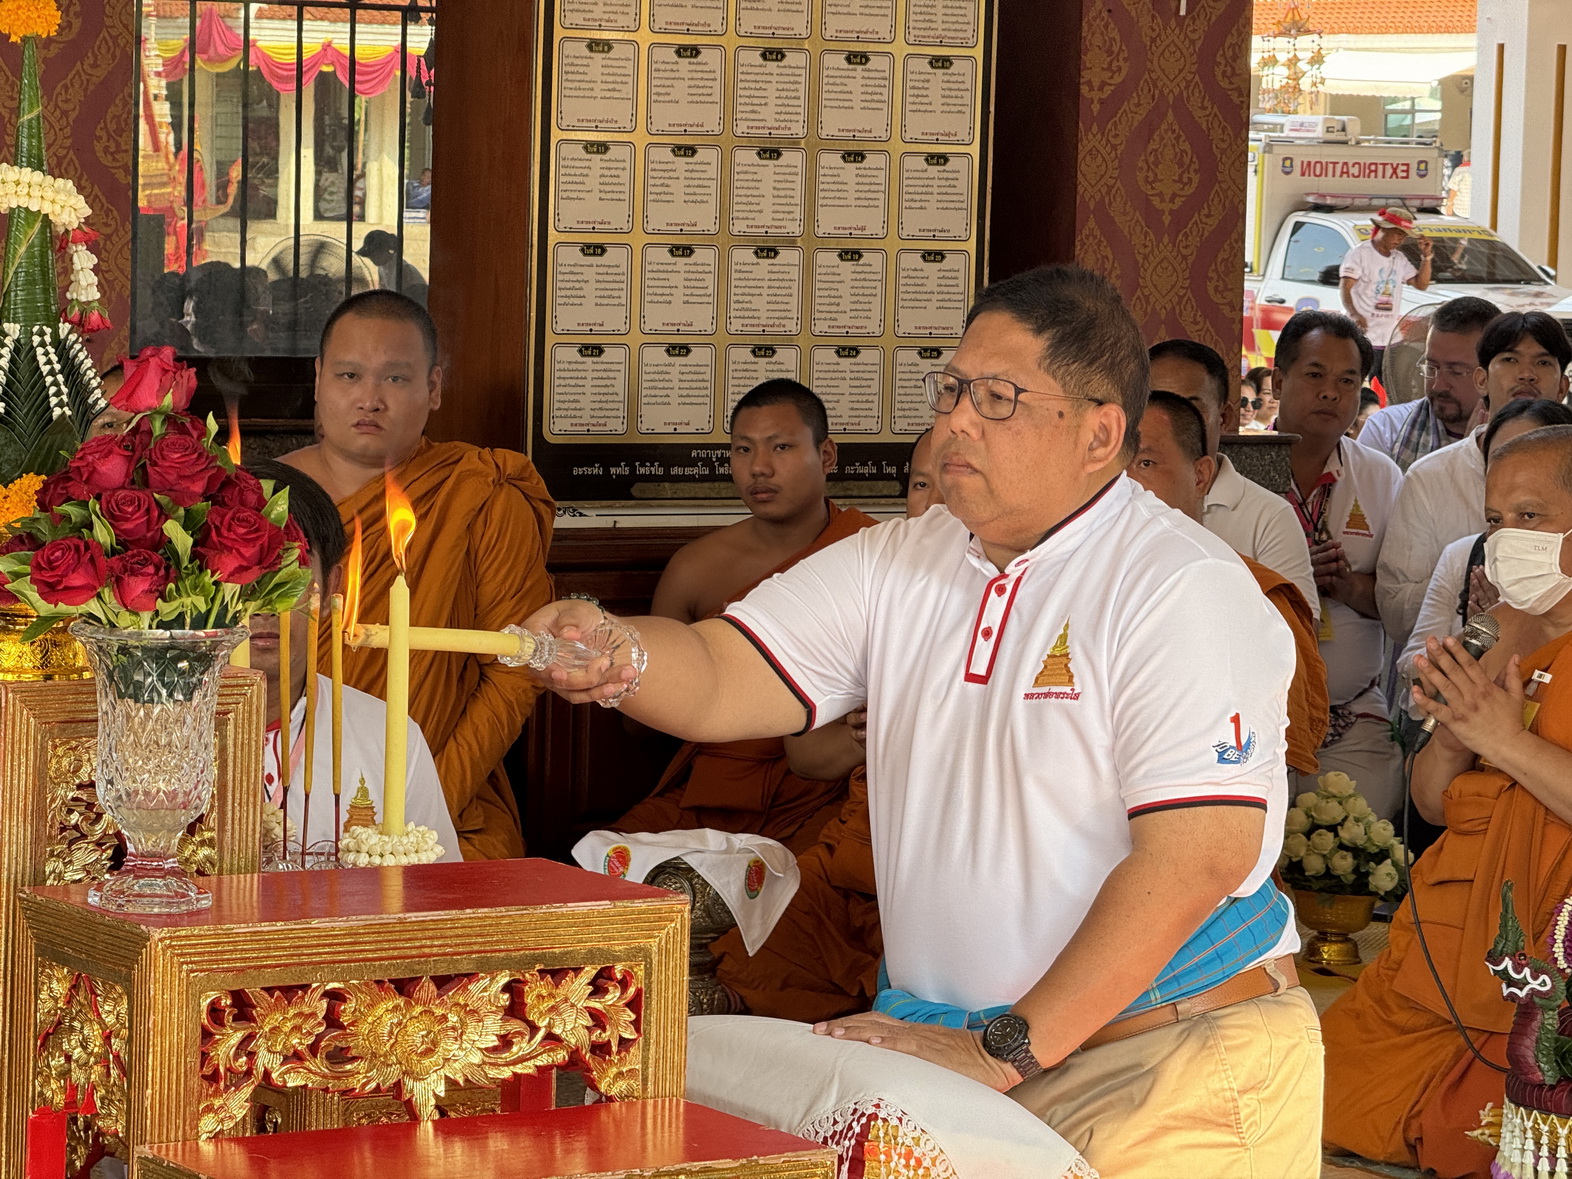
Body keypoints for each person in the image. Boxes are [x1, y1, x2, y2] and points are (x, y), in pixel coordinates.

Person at [527, 266, 1320, 1178]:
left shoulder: (1178, 583)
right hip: (967, 1057)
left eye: (998, 398)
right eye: (952, 390)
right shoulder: (904, 558)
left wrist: (1004, 1048)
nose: (956, 423)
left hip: (1159, 1061)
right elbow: (722, 671)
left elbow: (1199, 855)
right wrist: (618, 652)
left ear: (1101, 432)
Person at [1321, 424, 1572, 1179]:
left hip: (1544, 972)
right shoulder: (1505, 631)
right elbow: (1430, 801)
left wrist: (1505, 739)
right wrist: (1460, 736)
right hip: (1450, 942)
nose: (1505, 540)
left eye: (1530, 518)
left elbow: (1518, 756)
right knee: (1330, 1102)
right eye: (1496, 520)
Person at [282, 290, 555, 860]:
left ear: (433, 388)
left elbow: (515, 669)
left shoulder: (479, 492)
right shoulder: (254, 500)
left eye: (396, 380)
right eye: (350, 375)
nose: (370, 399)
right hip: (268, 793)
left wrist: (419, 809)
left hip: (441, 805)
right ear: (318, 380)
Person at [710, 429, 943, 1023]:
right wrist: (866, 735)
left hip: (943, 879)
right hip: (853, 866)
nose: (937, 502)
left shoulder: (1040, 601)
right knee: (731, 970)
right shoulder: (872, 586)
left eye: (955, 481)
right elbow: (806, 757)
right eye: (920, 484)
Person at [616, 380, 877, 849]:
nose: (759, 467)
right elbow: (641, 723)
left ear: (828, 455)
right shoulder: (696, 568)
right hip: (711, 788)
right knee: (603, 867)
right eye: (743, 449)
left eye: (781, 446)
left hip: (825, 793)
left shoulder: (869, 555)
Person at [244, 459, 460, 860]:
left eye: (288, 574)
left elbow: (436, 892)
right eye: (238, 574)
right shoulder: (148, 736)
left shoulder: (388, 737)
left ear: (330, 590)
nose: (263, 605)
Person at [1129, 392, 1329, 776]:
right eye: (1112, 465)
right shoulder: (1081, 579)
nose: (1126, 483)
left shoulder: (1249, 593)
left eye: (1145, 463)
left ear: (1200, 475)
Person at [1276, 310, 1405, 816]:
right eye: (1314, 375)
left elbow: (1401, 600)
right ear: (1277, 379)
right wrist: (1285, 580)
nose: (1330, 392)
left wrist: (1346, 586)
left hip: (1349, 715)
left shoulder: (1381, 477)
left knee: (1362, 854)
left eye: (1347, 380)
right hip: (1247, 716)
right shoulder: (1231, 467)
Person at [1376, 310, 1572, 644]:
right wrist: (1474, 592)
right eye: (1510, 360)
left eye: (1542, 363)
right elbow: (1396, 615)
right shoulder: (1433, 481)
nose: (1526, 374)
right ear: (1480, 379)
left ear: (1563, 385)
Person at [1149, 339, 1319, 621]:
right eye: (1156, 406)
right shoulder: (1111, 499)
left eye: (1190, 409)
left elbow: (1298, 632)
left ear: (1225, 417)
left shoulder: (1269, 517)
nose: (1171, 424)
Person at [1356, 297, 1500, 471]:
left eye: (1456, 372)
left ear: (1490, 373)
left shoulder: (1520, 435)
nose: (1437, 386)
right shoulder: (1387, 429)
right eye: (1431, 368)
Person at [1340, 207, 1433, 355]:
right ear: (1383, 229)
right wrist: (1355, 314)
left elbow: (1421, 284)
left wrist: (1426, 257)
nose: (1400, 240)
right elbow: (1345, 288)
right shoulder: (1360, 253)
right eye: (1397, 234)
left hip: (1389, 338)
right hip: (1362, 336)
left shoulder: (1399, 258)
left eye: (1403, 236)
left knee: (1383, 377)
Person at [356, 230, 429, 307]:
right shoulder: (382, 268)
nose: (371, 258)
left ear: (385, 250)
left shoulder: (403, 269)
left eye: (375, 253)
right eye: (369, 255)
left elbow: (404, 300)